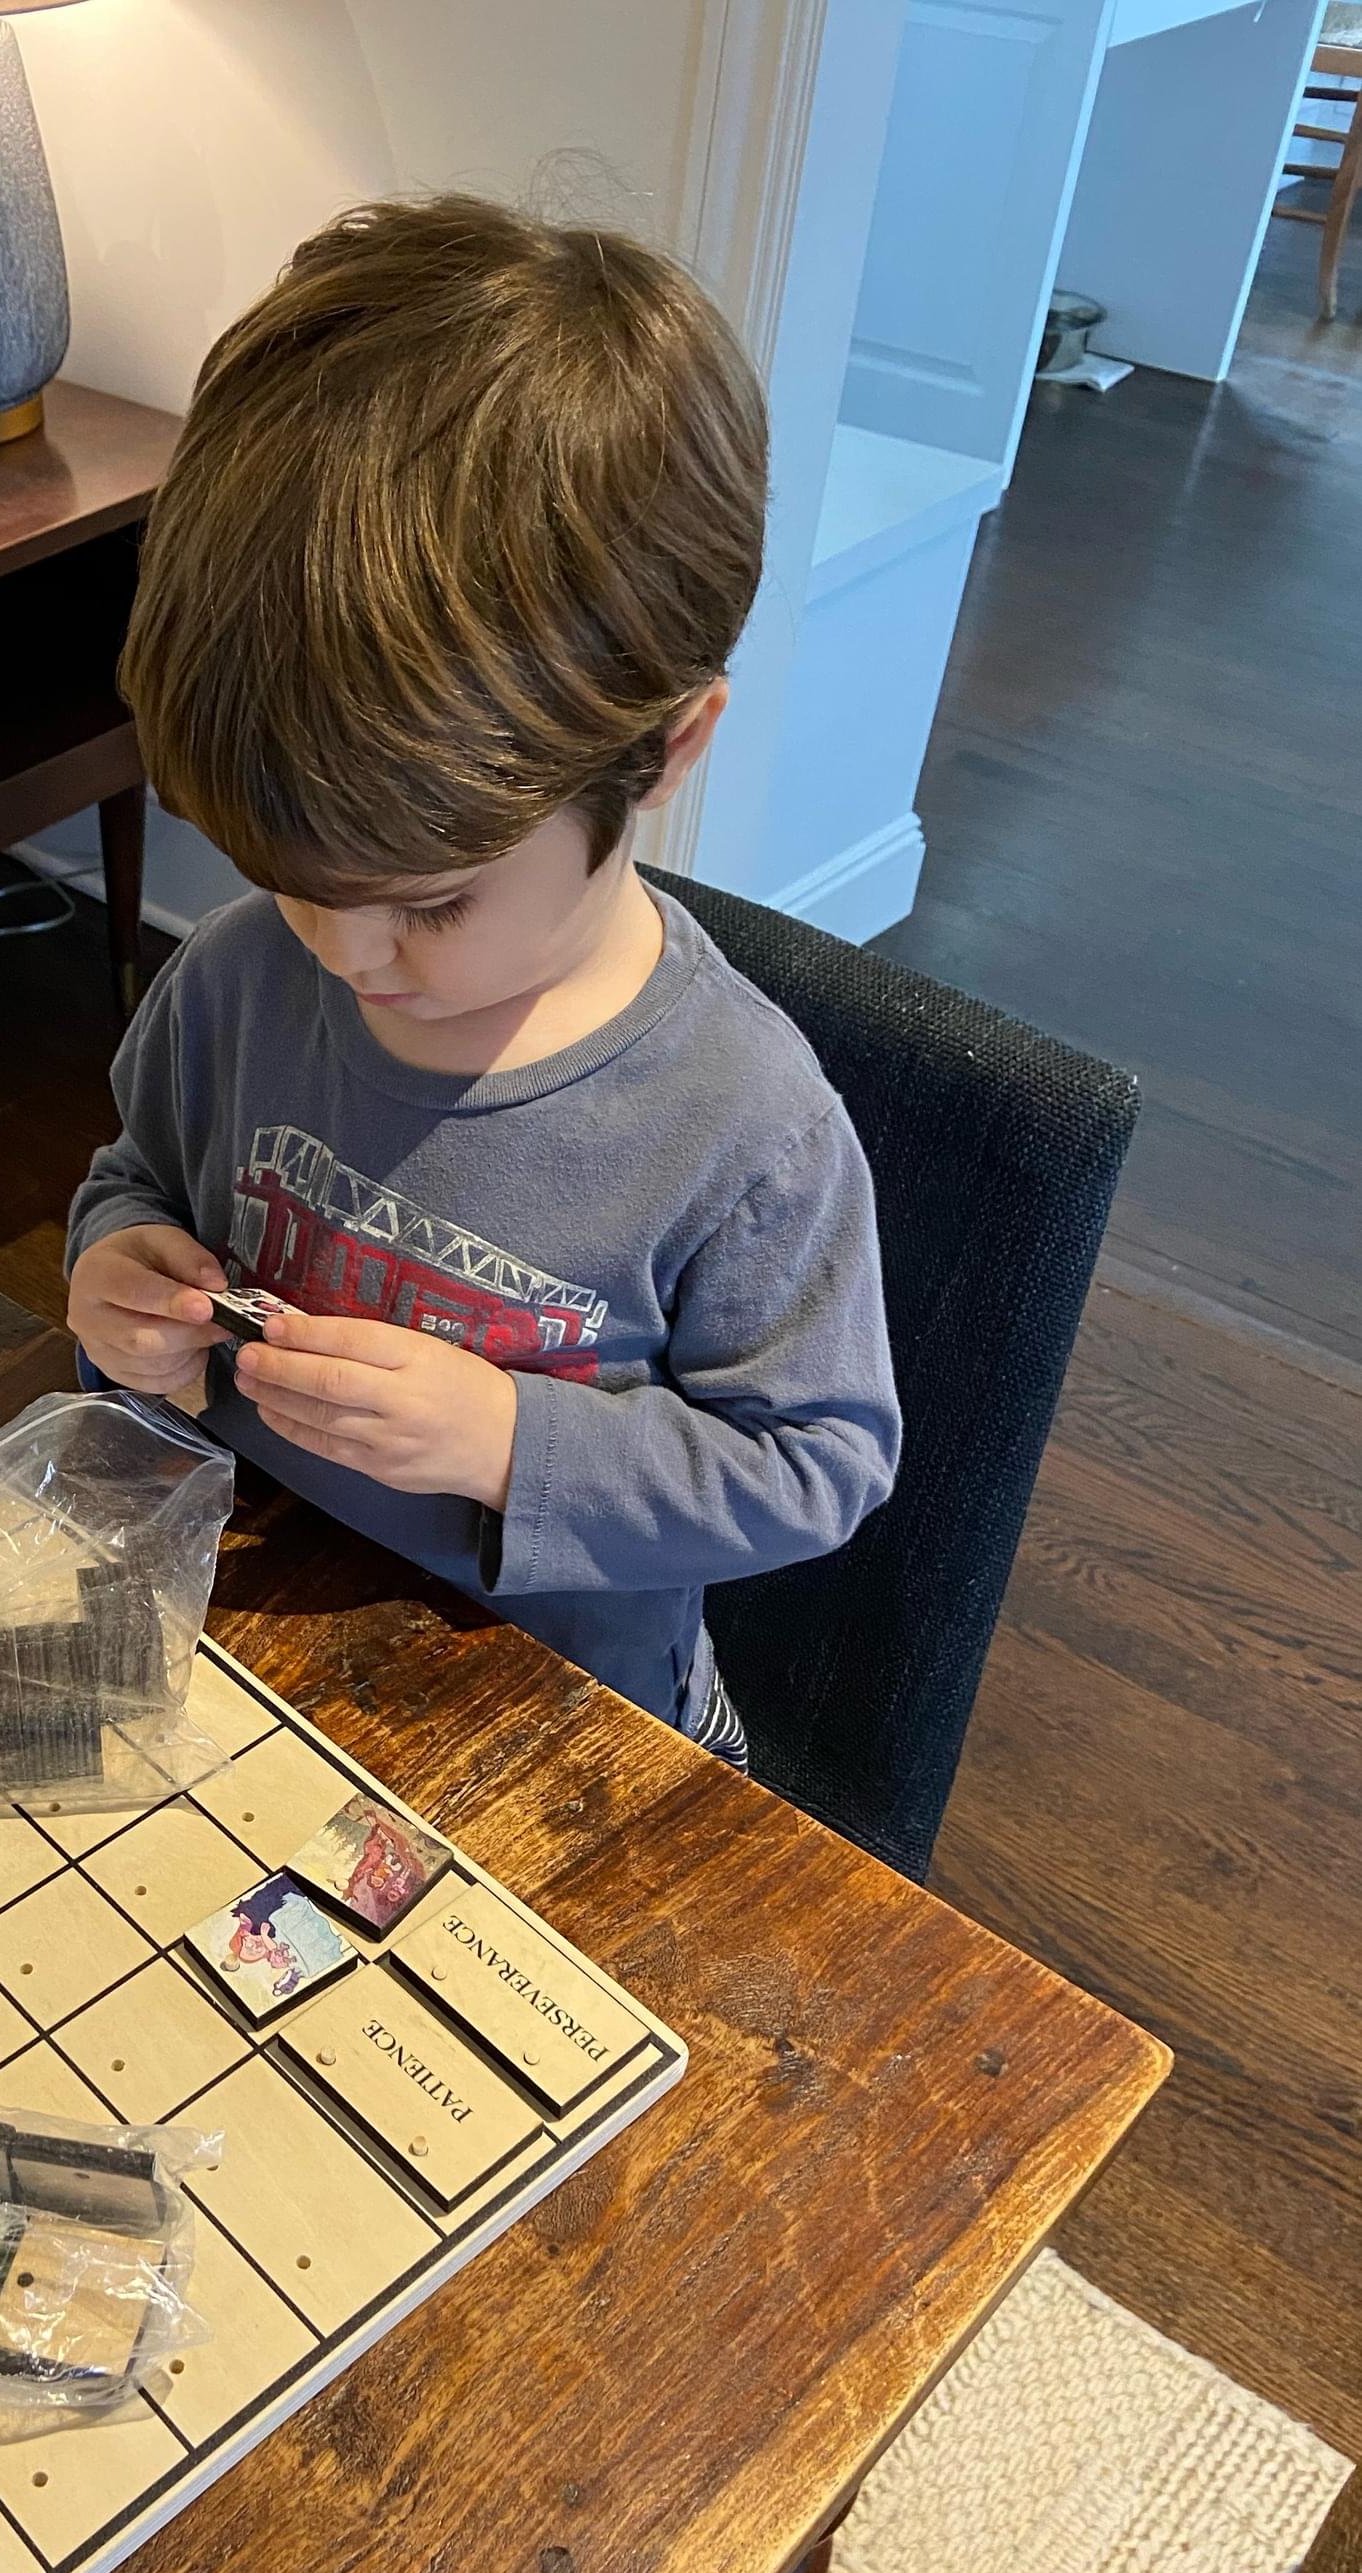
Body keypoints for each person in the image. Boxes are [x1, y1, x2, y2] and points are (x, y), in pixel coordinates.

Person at [66, 194, 901, 1761]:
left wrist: (511, 1443)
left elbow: (813, 1469)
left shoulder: (740, 1127)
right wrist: (116, 1269)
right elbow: (139, 1177)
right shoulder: (243, 977)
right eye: (292, 882)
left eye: (430, 902)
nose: (341, 953)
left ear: (667, 748)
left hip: (555, 1712)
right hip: (245, 1610)